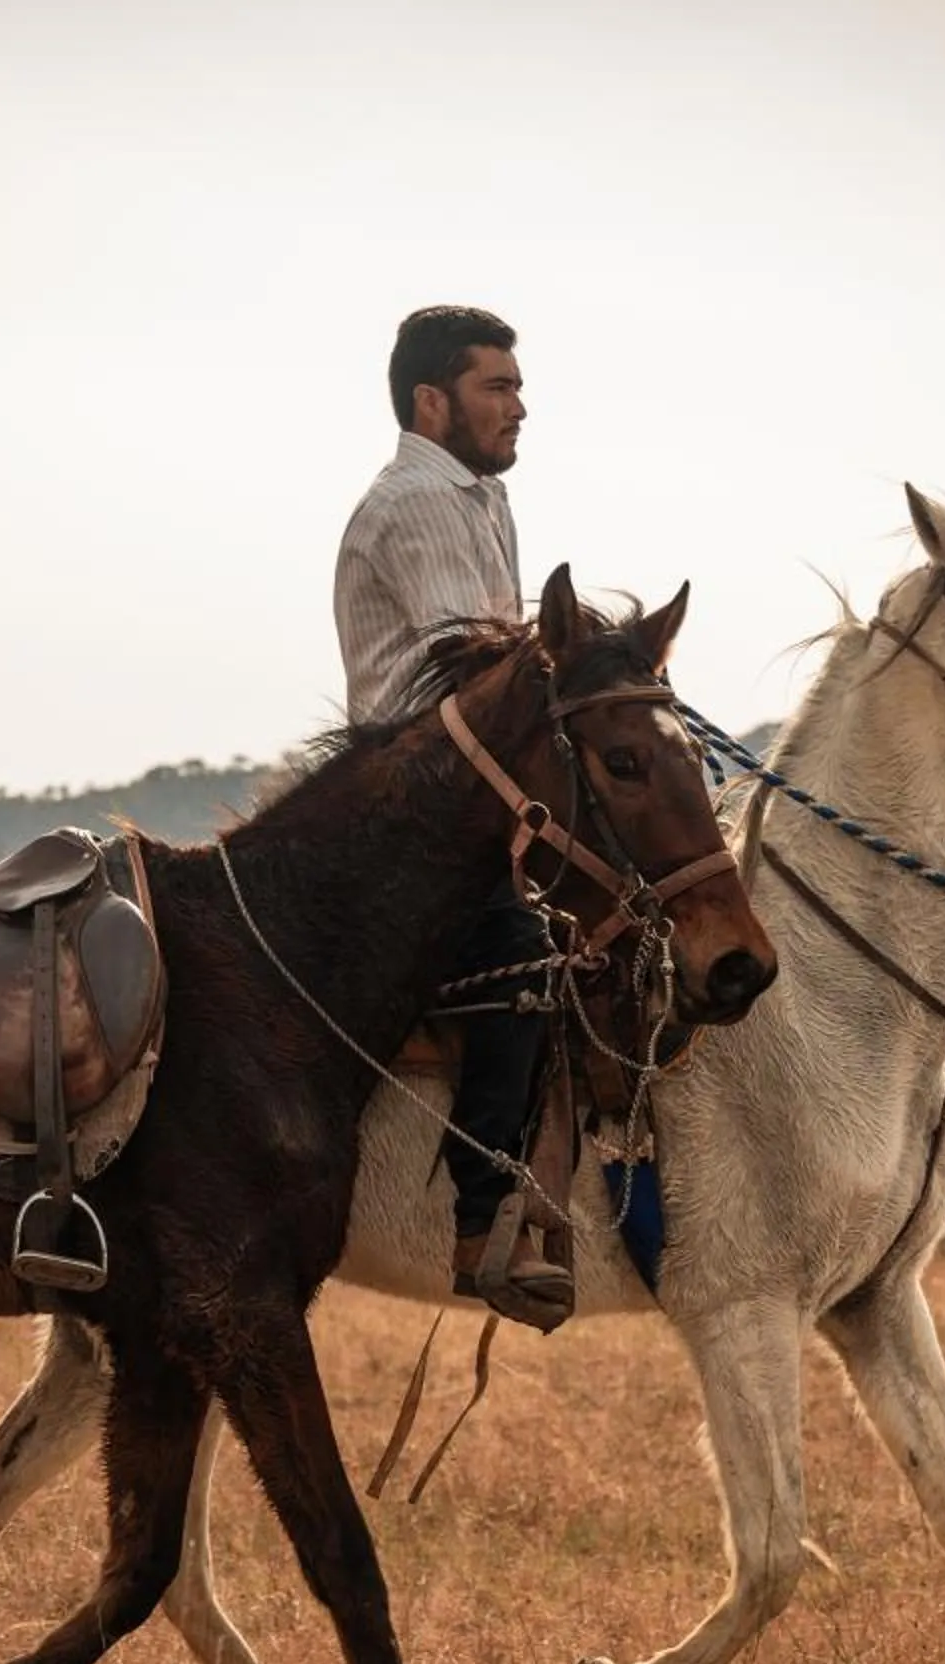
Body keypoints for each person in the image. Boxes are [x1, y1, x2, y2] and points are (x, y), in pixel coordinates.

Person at [331, 305, 572, 1328]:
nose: (520, 405)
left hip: (470, 790)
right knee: (518, 964)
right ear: (433, 400)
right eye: (497, 387)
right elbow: (470, 668)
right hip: (413, 802)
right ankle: (485, 1222)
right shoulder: (419, 503)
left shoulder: (480, 498)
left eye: (517, 386)